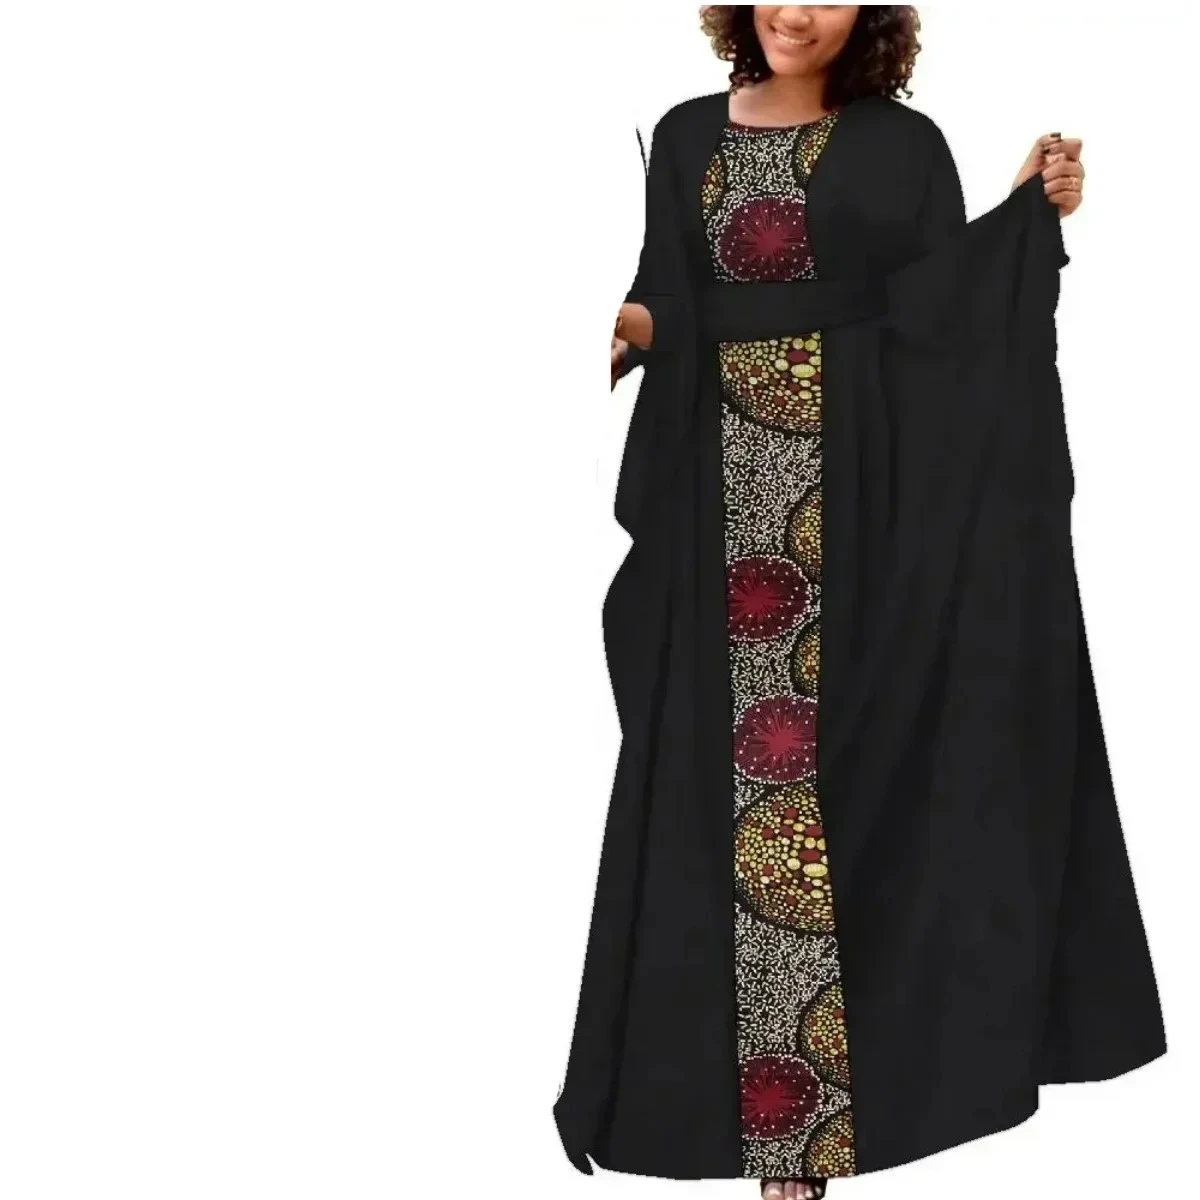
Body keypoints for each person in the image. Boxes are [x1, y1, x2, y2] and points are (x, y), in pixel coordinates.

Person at [558, 8, 1166, 1198]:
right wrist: (624, 332)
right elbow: (663, 294)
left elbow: (940, 321)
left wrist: (1024, 221)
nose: (798, 10)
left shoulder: (902, 145)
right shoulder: (684, 136)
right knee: (732, 799)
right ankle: (770, 1133)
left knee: (834, 798)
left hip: (860, 513)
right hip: (714, 510)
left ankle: (822, 1136)